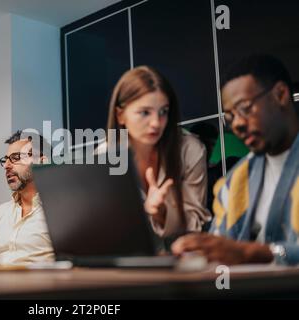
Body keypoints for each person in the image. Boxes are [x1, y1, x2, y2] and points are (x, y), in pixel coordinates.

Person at [172, 54, 299, 265]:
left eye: (245, 108)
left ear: (281, 95)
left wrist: (253, 254)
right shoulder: (233, 182)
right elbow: (220, 248)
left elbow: (241, 253)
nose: (237, 124)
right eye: (230, 117)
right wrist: (194, 253)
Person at [101, 66, 211, 240]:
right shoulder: (103, 156)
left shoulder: (190, 150)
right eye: (145, 112)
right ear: (120, 115)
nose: (156, 123)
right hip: (126, 257)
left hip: (178, 256)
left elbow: (196, 222)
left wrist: (162, 214)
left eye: (163, 112)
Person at [0, 131, 54, 265]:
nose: (7, 166)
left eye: (15, 158)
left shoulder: (60, 211)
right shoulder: (2, 212)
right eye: (6, 159)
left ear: (41, 162)